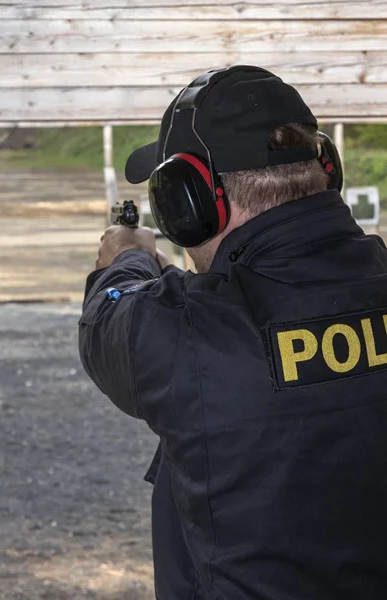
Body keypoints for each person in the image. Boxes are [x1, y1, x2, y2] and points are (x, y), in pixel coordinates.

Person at [79, 66, 387, 599]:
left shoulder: (186, 331)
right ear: (327, 169)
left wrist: (125, 260)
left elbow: (108, 322)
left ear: (190, 203)